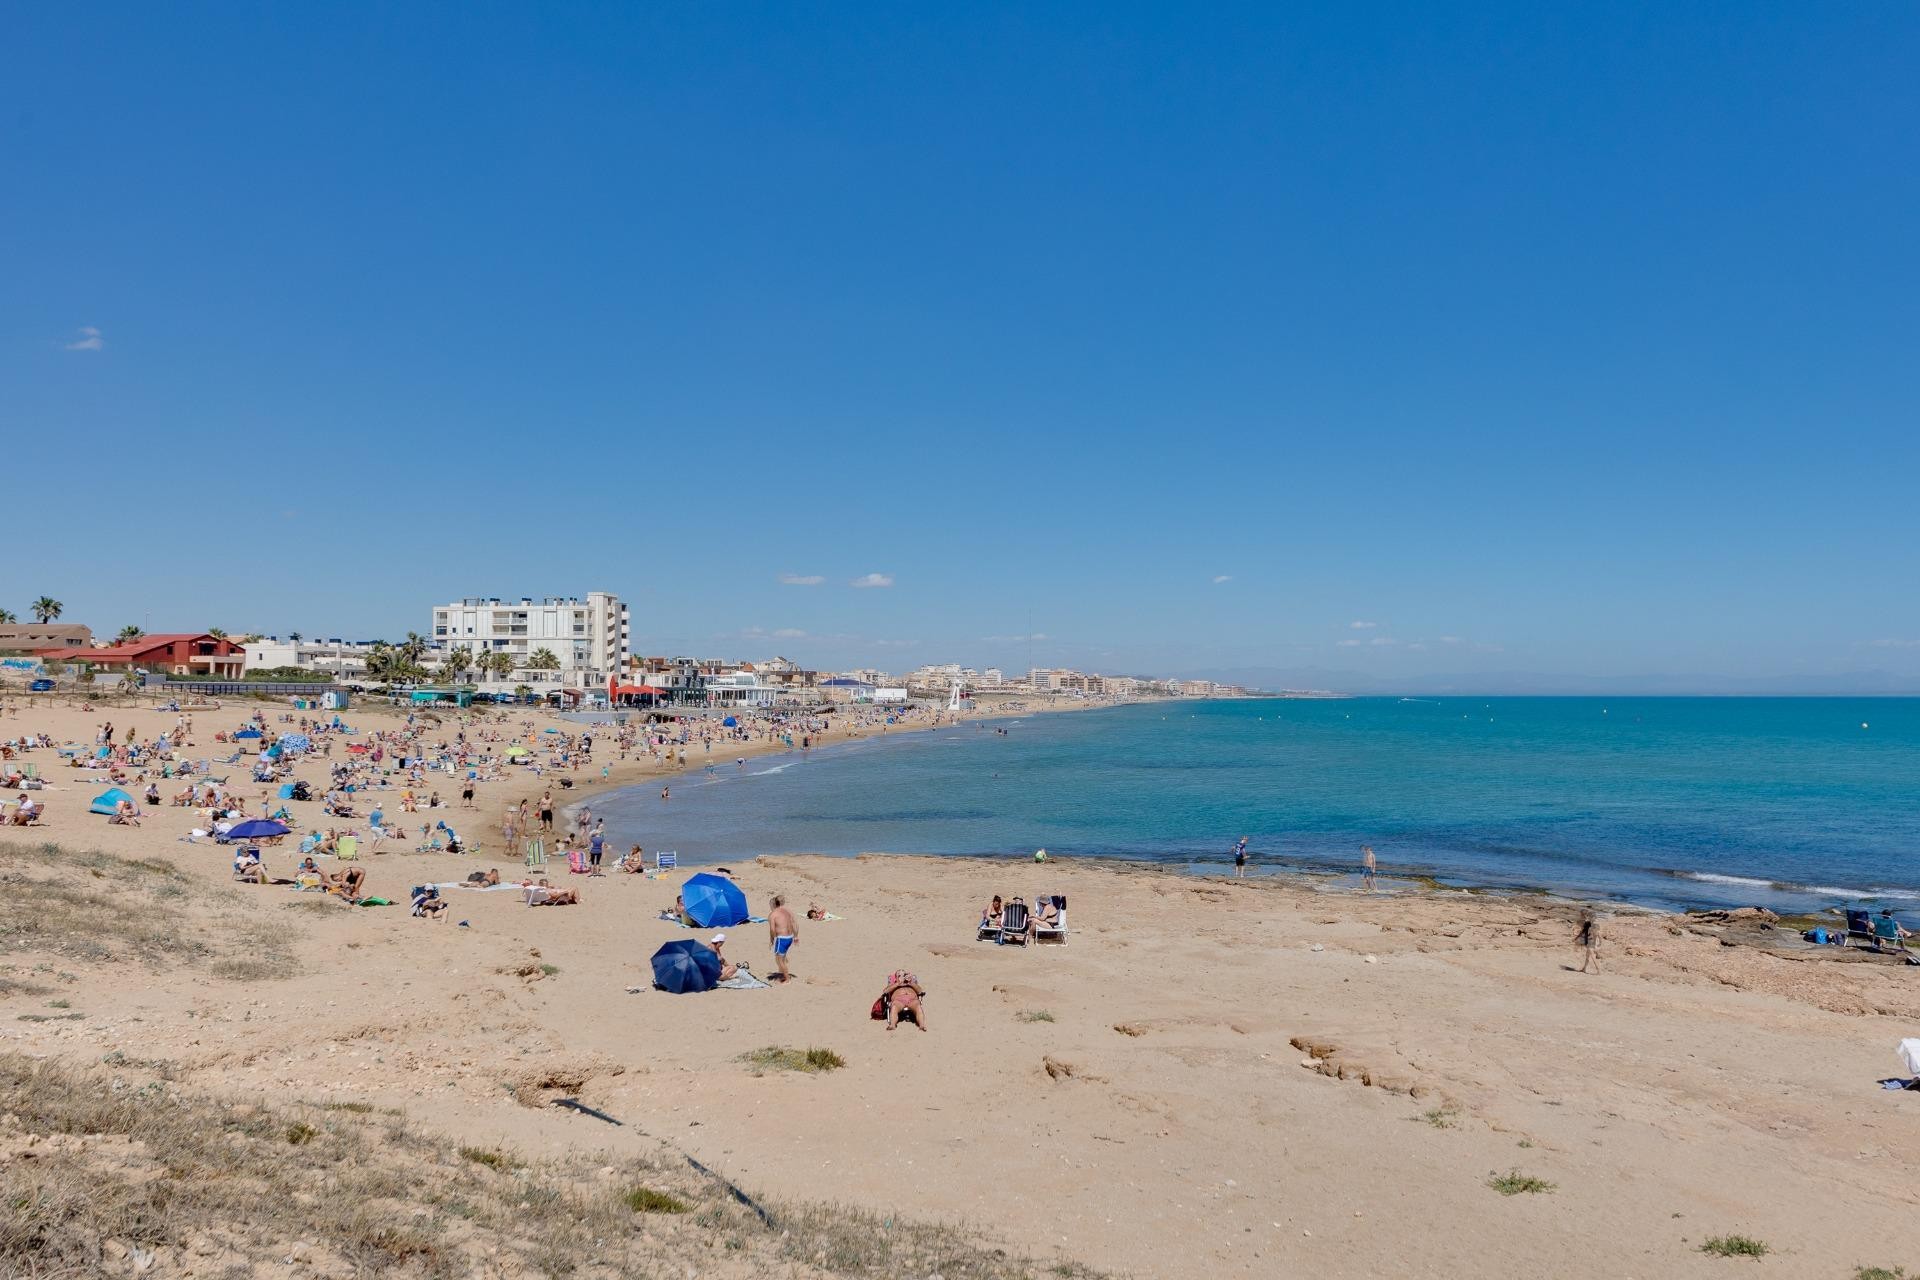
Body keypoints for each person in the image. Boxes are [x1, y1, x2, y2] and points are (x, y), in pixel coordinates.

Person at [767, 895, 798, 983]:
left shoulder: (772, 915)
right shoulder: (786, 912)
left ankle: (787, 979)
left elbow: (772, 929)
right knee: (781, 957)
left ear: (773, 905)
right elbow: (795, 924)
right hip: (790, 937)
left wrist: (772, 939)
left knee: (779, 960)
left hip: (782, 938)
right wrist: (796, 936)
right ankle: (782, 973)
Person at [1575, 908, 1600, 973]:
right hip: (1590, 940)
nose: (1580, 915)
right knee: (1587, 956)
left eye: (1580, 914)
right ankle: (1584, 969)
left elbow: (1583, 932)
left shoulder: (1586, 923)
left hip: (1590, 941)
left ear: (1583, 915)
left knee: (1592, 956)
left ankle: (1598, 970)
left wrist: (1577, 938)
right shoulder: (1589, 922)